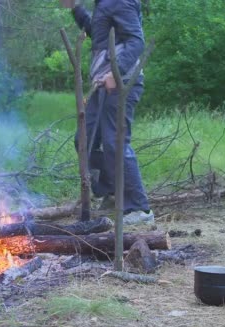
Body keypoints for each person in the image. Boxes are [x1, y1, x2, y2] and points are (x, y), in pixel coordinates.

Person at [68, 0, 154, 225]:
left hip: (121, 84)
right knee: (83, 141)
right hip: (101, 86)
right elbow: (97, 34)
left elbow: (136, 41)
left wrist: (116, 74)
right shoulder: (104, 3)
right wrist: (76, 9)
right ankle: (111, 191)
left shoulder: (119, 1)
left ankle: (139, 208)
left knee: (115, 143)